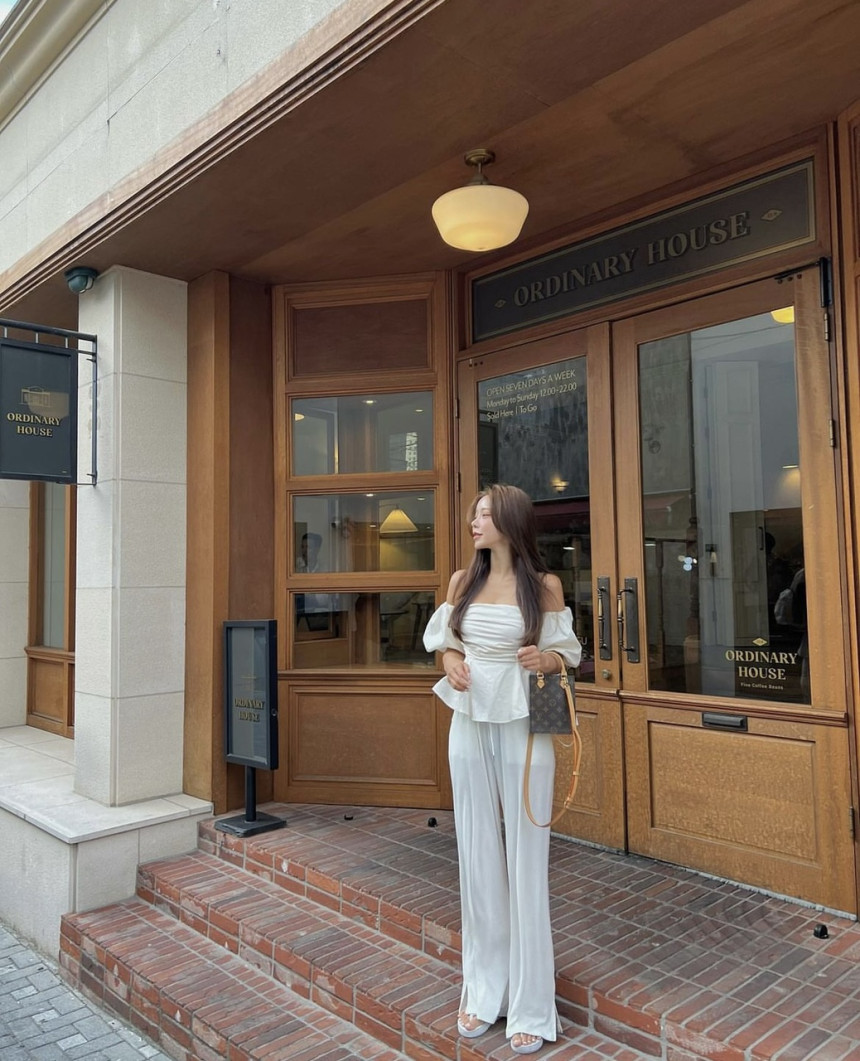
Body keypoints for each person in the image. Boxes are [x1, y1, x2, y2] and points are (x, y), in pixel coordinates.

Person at [423, 484, 582, 1055]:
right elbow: (444, 642)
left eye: (485, 515)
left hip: (525, 718)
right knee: (476, 852)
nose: (475, 523)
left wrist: (546, 658)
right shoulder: (461, 583)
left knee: (526, 856)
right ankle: (484, 988)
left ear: (511, 523)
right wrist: (451, 661)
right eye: (475, 515)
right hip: (469, 719)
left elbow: (568, 654)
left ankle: (532, 1004)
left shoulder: (544, 587)